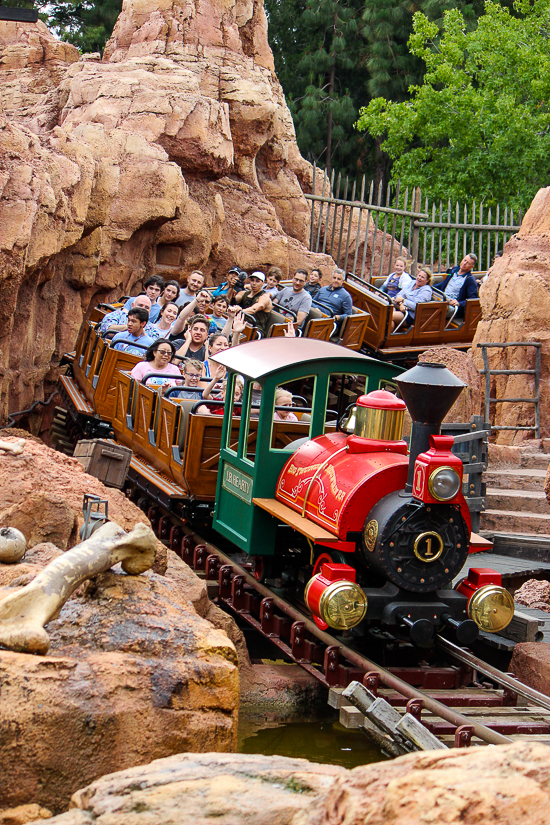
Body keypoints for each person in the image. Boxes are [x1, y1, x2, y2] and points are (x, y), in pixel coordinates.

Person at [439, 253, 479, 318]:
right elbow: (444, 284)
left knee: (437, 309)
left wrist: (459, 303)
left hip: (452, 306)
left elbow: (473, 299)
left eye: (468, 263)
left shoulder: (470, 280)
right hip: (442, 298)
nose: (464, 263)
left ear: (471, 267)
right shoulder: (453, 270)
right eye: (464, 260)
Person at [232, 271, 272, 335]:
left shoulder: (264, 297)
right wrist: (231, 287)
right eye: (252, 280)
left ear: (263, 283)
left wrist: (240, 311)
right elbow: (232, 300)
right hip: (241, 323)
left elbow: (254, 309)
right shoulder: (244, 293)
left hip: (256, 328)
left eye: (257, 281)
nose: (254, 283)